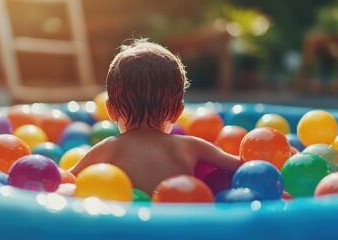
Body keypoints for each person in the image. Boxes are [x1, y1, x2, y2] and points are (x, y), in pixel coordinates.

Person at [70, 38, 242, 195]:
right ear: (177, 113)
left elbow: (66, 178)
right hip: (178, 218)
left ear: (111, 110)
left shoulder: (108, 147)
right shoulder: (190, 146)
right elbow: (241, 165)